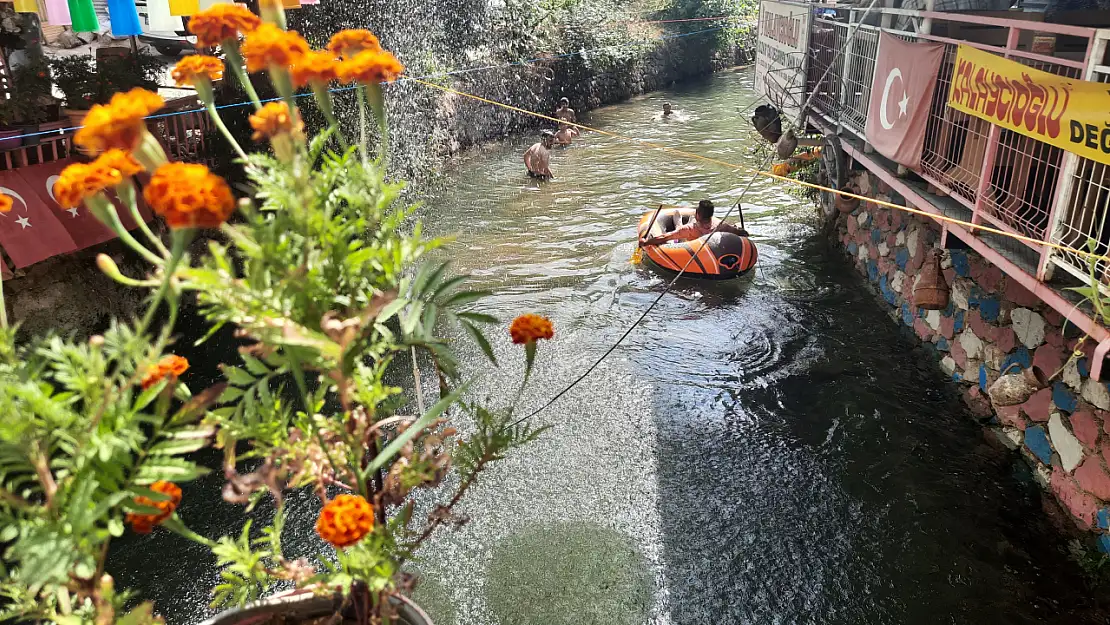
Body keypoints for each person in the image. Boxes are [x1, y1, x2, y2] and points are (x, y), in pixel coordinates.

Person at [640, 200, 748, 246]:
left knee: (680, 231)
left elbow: (664, 237)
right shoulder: (722, 227)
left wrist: (646, 242)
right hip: (687, 240)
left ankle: (678, 221)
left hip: (688, 236)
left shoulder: (690, 229)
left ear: (698, 215)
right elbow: (742, 233)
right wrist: (741, 231)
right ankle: (678, 221)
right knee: (680, 231)